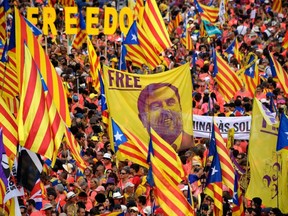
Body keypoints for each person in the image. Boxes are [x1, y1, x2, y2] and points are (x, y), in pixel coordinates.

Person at [137, 83, 193, 151]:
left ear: (181, 109)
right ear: (142, 118)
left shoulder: (189, 143)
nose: (165, 109)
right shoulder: (140, 147)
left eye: (171, 102)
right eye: (156, 106)